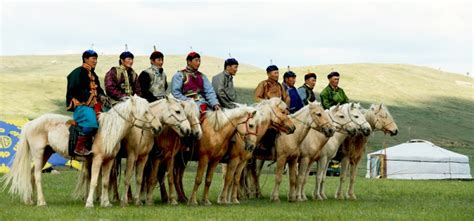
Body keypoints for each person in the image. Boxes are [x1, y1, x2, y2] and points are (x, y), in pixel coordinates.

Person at [66, 50, 107, 156]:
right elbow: (75, 89)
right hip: (81, 105)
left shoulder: (93, 74)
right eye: (93, 59)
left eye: (96, 59)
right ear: (85, 59)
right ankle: (79, 147)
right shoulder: (77, 73)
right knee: (92, 123)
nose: (95, 61)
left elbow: (99, 89)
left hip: (94, 104)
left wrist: (102, 96)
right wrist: (90, 98)